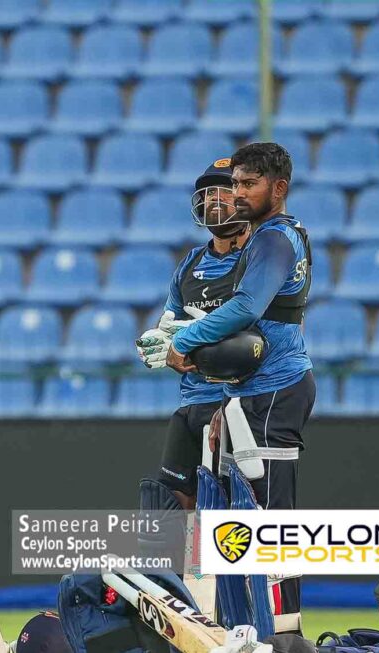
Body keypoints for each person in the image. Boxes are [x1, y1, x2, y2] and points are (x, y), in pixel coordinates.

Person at [140, 142, 315, 634]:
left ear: (277, 189)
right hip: (244, 393)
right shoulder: (253, 242)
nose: (235, 196)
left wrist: (188, 345)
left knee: (265, 516)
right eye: (232, 185)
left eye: (246, 185)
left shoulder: (274, 240)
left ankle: (281, 634)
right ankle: (221, 620)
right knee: (227, 511)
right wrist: (173, 348)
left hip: (273, 386)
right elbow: (172, 325)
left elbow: (245, 310)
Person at [143, 158, 251, 511]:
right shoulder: (190, 264)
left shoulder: (257, 258)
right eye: (207, 194)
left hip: (238, 400)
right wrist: (165, 344)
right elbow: (169, 324)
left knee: (233, 500)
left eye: (224, 190)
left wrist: (206, 334)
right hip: (191, 401)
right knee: (172, 499)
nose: (214, 201)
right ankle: (182, 568)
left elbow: (266, 333)